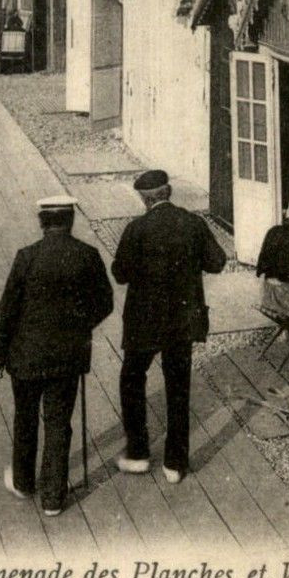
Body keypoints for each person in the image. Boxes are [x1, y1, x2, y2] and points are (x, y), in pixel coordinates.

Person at [0, 195, 114, 517]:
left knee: (25, 418)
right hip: (67, 357)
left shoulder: (26, 257)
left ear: (42, 222)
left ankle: (23, 482)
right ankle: (53, 499)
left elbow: (8, 309)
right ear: (70, 221)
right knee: (59, 422)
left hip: (25, 356)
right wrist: (78, 326)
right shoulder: (88, 255)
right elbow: (105, 303)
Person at [110, 170, 226, 483]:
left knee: (132, 378)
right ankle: (175, 464)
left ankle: (138, 453)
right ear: (170, 191)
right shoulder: (193, 223)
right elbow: (217, 262)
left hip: (143, 321)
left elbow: (120, 273)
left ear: (144, 199)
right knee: (178, 387)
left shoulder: (136, 229)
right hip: (182, 320)